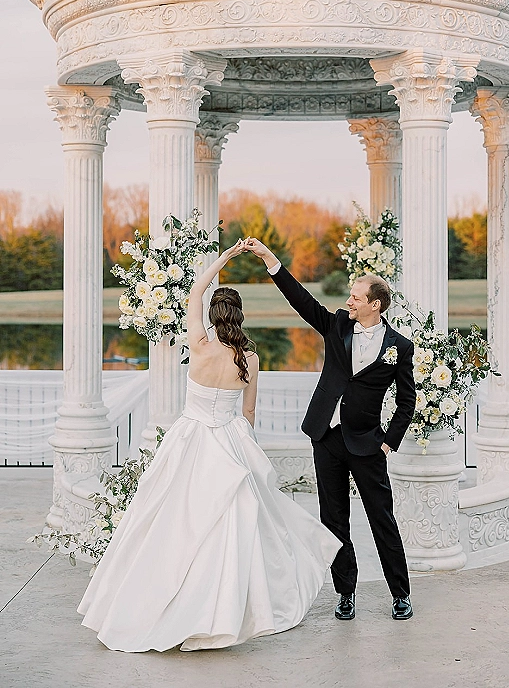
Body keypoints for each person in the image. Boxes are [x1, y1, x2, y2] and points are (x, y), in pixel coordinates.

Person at [78, 240, 340, 652]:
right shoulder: (249, 358)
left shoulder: (199, 344)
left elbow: (193, 293)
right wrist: (241, 447)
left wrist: (225, 259)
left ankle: (163, 603)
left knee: (172, 519)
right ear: (239, 316)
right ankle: (224, 610)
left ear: (214, 316)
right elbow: (248, 416)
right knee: (234, 525)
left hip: (191, 438)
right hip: (230, 439)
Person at [245, 237, 416, 622]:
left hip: (368, 444)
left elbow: (407, 402)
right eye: (351, 295)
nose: (350, 300)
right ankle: (346, 593)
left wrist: (388, 443)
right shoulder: (337, 324)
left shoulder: (399, 348)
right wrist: (270, 259)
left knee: (381, 519)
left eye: (357, 296)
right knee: (333, 520)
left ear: (376, 304)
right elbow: (301, 300)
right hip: (327, 436)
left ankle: (400, 594)